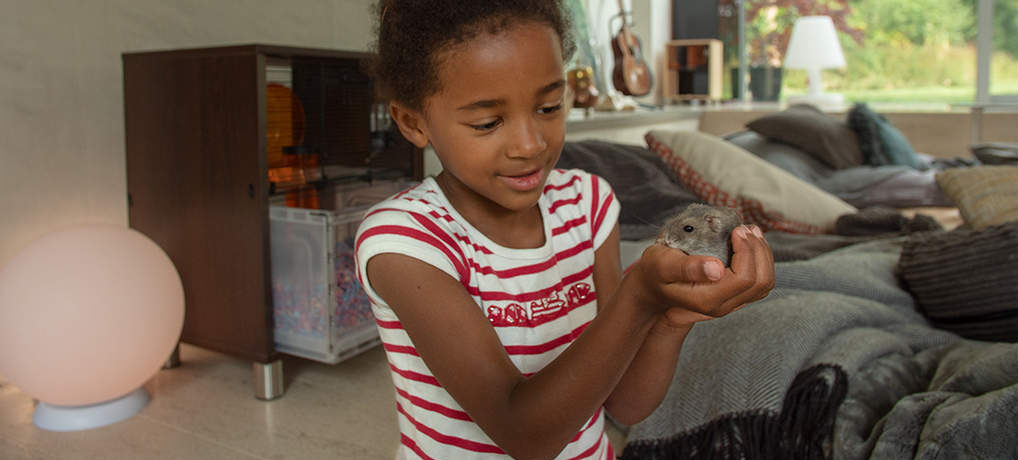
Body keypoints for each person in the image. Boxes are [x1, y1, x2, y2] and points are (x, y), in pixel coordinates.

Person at [355, 1, 775, 459]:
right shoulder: (405, 243)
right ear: (413, 122)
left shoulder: (587, 205)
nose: (531, 144)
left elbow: (625, 404)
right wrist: (639, 297)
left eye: (549, 106)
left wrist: (668, 319)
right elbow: (524, 436)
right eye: (488, 122)